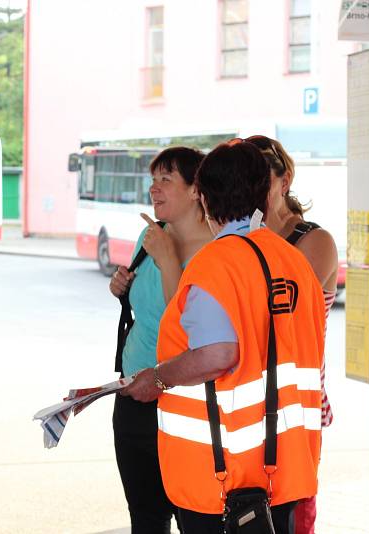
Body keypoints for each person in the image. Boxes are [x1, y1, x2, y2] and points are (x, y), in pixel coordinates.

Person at [124, 140, 325, 534]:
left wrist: (158, 377)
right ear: (264, 192)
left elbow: (218, 354)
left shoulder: (215, 264)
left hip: (223, 476)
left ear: (204, 198)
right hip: (284, 468)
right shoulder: (293, 261)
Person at [108, 147, 211, 533]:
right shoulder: (151, 235)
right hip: (134, 391)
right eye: (153, 181)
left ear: (196, 189)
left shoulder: (213, 248)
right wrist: (121, 287)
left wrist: (170, 261)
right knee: (145, 516)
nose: (155, 189)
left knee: (192, 515)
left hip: (182, 400)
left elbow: (185, 328)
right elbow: (143, 304)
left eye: (166, 180)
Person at [245, 135, 337, 534]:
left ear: (285, 180)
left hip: (295, 410)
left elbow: (281, 316)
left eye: (260, 176)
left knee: (292, 518)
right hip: (246, 408)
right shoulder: (239, 238)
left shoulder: (314, 241)